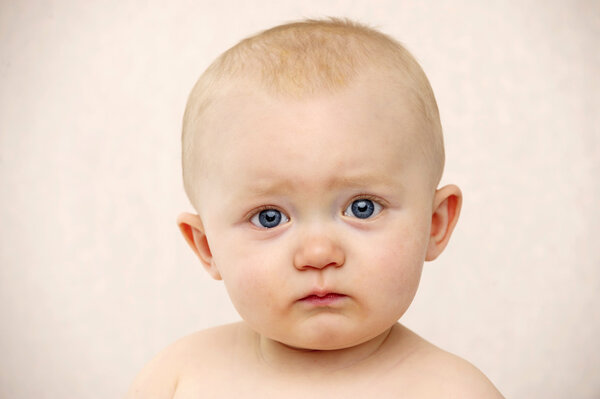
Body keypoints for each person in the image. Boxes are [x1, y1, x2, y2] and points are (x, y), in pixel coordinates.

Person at [125, 18, 504, 398]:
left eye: (362, 208)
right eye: (268, 217)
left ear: (435, 224)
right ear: (207, 247)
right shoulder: (179, 377)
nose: (319, 254)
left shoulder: (455, 391)